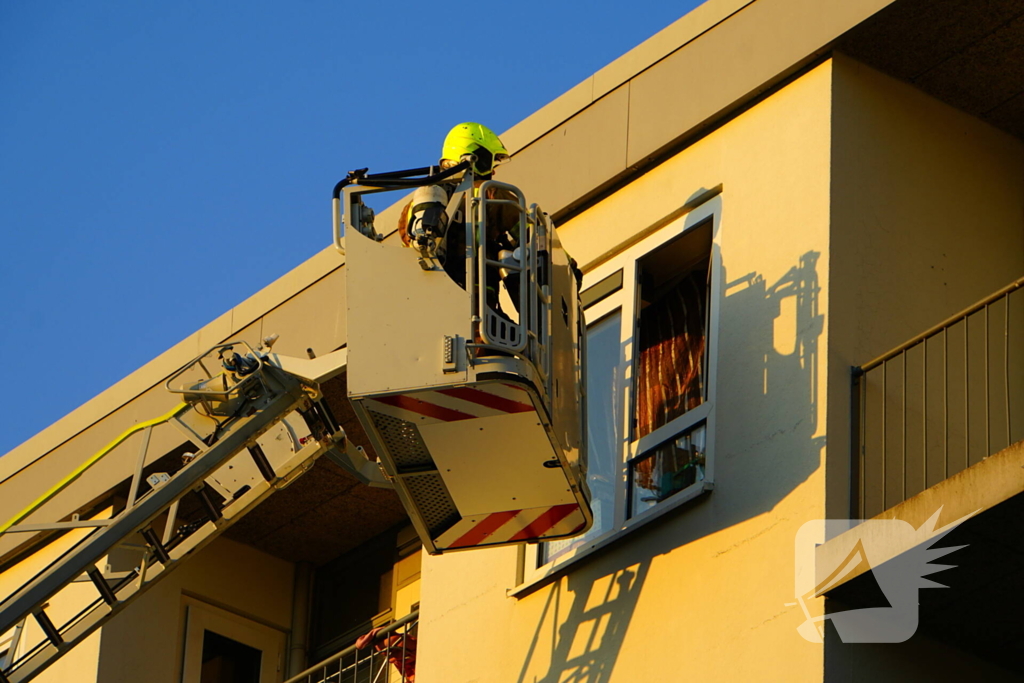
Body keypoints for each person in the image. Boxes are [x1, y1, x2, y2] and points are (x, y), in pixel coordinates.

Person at [398, 123, 521, 314]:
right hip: (476, 306)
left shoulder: (416, 203)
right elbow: (534, 235)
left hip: (432, 302)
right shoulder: (489, 194)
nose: (493, 172)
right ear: (476, 158)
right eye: (491, 163)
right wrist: (567, 268)